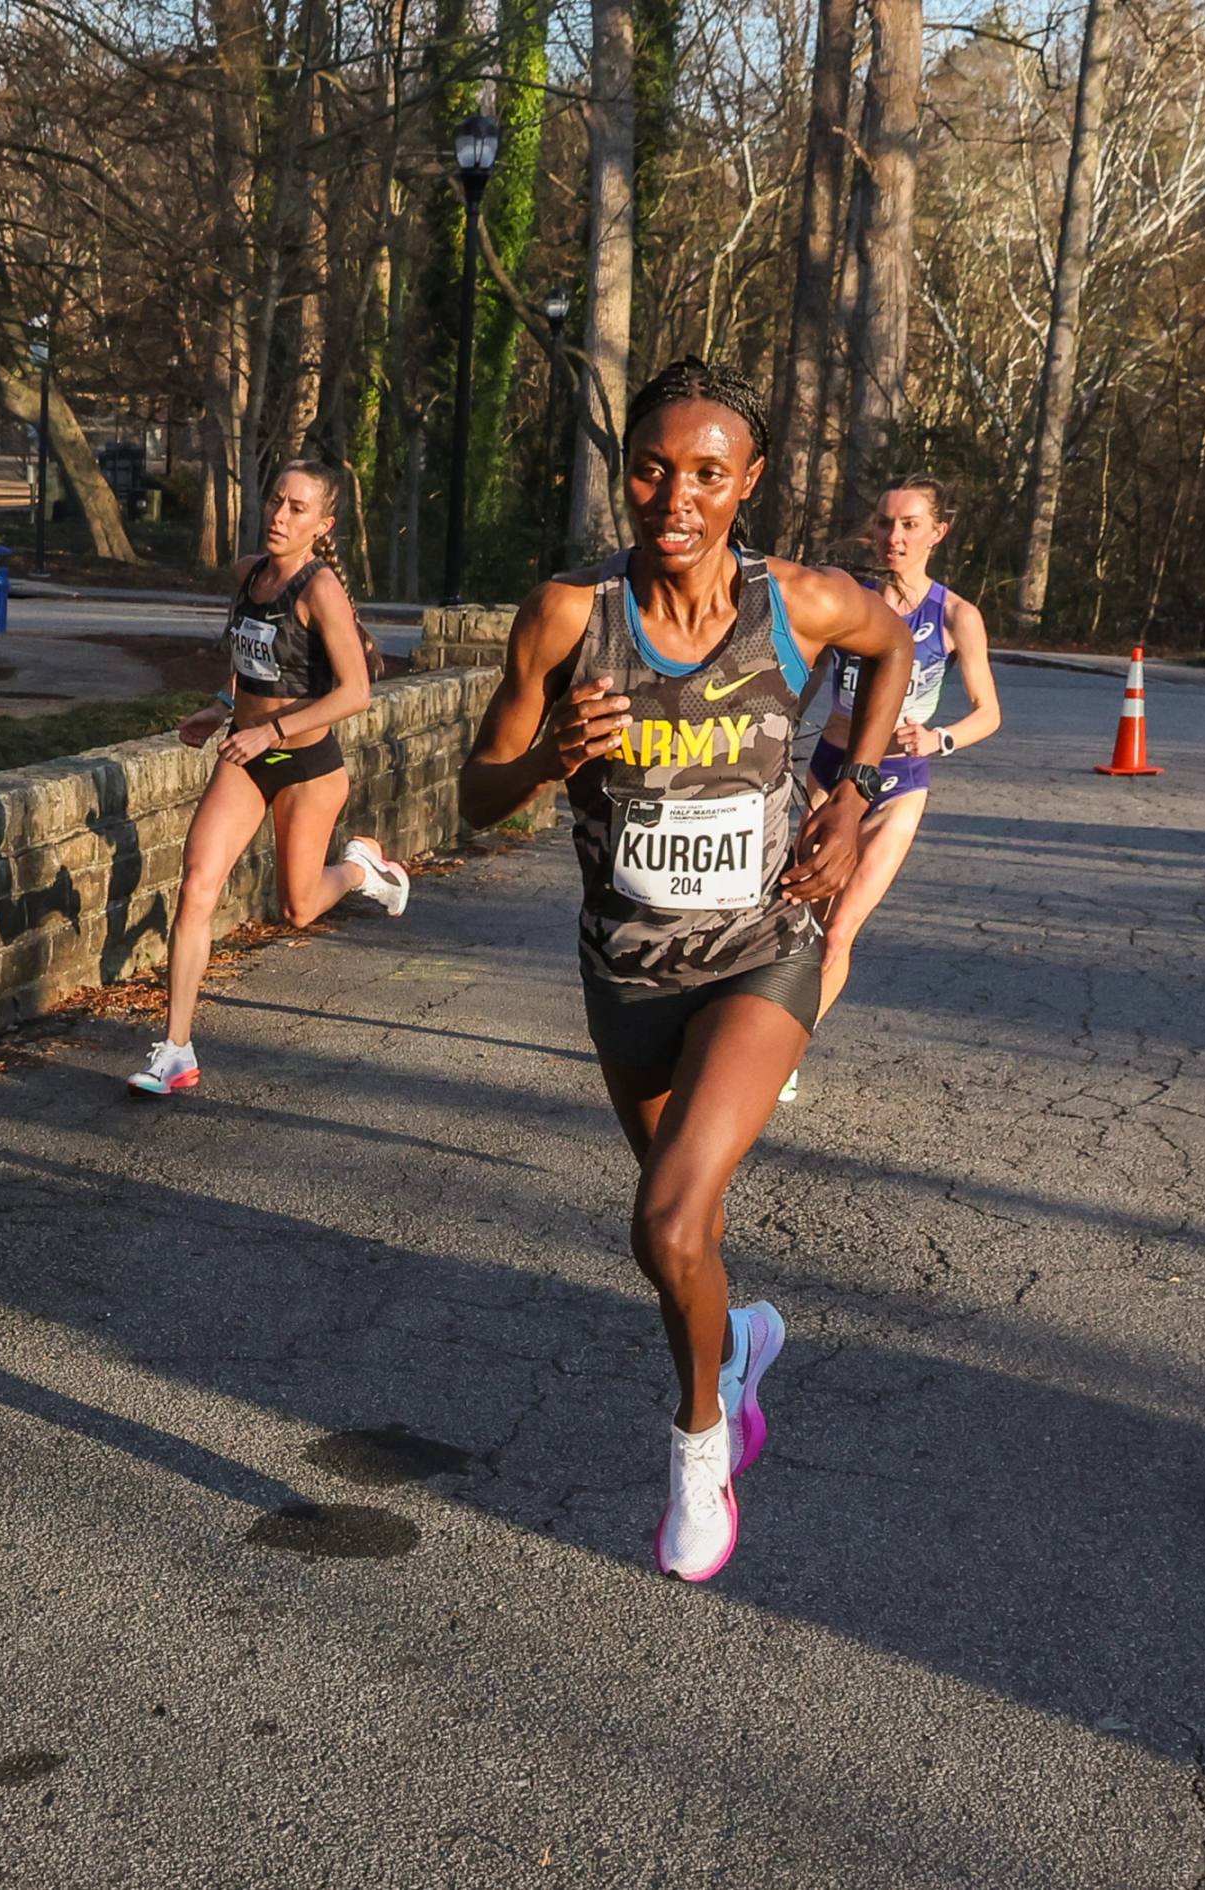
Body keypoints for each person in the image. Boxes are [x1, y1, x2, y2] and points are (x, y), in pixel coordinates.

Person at [457, 360, 918, 1581]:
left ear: (747, 482)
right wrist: (552, 756)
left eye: (709, 474)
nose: (677, 495)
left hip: (766, 951)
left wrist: (852, 793)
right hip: (628, 967)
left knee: (659, 1215)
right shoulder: (569, 614)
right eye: (655, 467)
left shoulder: (801, 604)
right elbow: (475, 795)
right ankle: (741, 1343)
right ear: (627, 472)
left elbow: (888, 646)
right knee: (688, 1241)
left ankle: (700, 1440)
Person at [133, 461, 413, 1095]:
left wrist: (275, 731)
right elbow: (250, 665)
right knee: (198, 882)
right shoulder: (249, 574)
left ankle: (361, 870)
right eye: (277, 501)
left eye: (297, 508)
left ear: (323, 525)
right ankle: (176, 1050)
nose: (281, 516)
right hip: (247, 754)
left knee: (297, 908)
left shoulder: (321, 592)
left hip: (307, 765)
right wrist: (223, 707)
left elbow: (357, 694)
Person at [793, 475, 1004, 1085]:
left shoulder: (958, 615)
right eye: (885, 523)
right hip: (829, 775)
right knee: (795, 918)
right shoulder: (848, 598)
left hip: (899, 784)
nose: (894, 536)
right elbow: (807, 675)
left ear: (938, 532)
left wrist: (941, 738)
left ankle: (786, 1055)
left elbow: (988, 711)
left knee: (837, 933)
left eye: (910, 524)